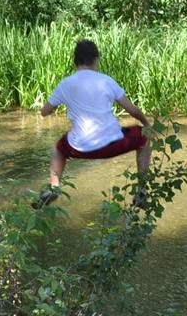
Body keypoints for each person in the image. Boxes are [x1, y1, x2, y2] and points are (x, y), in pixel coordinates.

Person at [35, 39, 151, 208]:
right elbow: (132, 110)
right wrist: (147, 124)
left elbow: (44, 112)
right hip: (113, 145)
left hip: (79, 148)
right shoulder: (106, 81)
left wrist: (51, 105)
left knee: (58, 149)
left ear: (75, 62)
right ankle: (141, 189)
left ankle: (54, 187)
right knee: (143, 137)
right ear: (96, 59)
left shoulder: (65, 84)